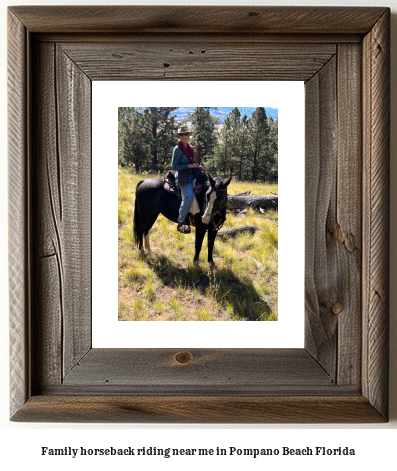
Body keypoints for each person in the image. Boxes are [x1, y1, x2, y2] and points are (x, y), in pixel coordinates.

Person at [171, 125, 204, 233]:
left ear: (188, 136)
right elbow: (174, 166)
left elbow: (193, 160)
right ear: (179, 137)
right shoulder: (177, 150)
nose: (184, 136)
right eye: (182, 134)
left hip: (193, 173)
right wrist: (188, 166)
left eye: (186, 134)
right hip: (183, 176)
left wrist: (197, 166)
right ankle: (181, 221)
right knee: (189, 196)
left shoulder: (191, 148)